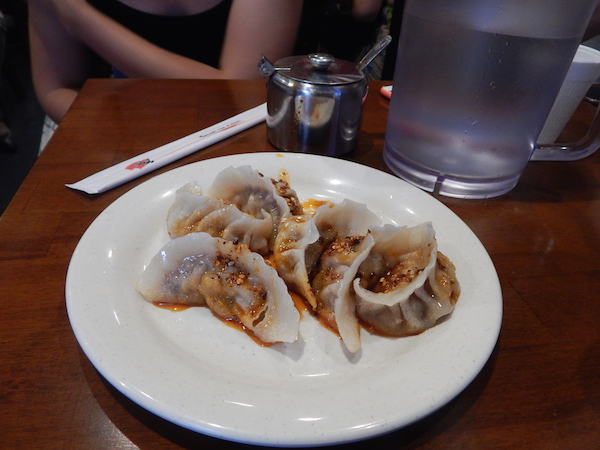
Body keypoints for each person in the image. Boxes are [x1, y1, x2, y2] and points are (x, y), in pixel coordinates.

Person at [28, 0, 304, 124]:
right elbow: (57, 90)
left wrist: (79, 19)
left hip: (242, 128)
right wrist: (125, 135)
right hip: (118, 129)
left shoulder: (72, 10)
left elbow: (237, 93)